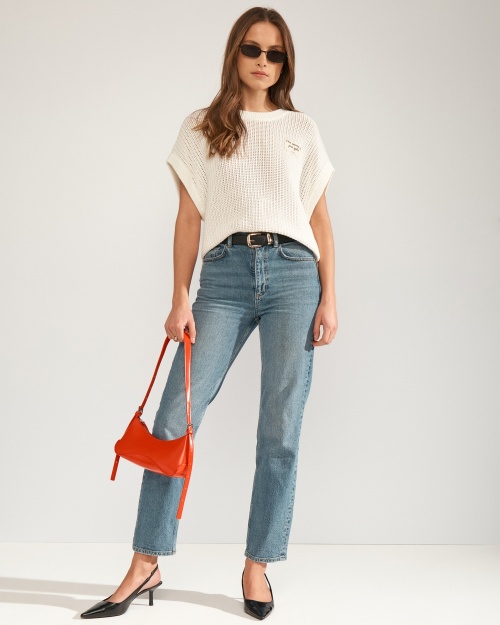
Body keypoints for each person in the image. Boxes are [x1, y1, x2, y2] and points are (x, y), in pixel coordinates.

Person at [81, 5, 338, 621]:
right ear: (234, 53)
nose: (263, 61)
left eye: (275, 53)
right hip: (222, 277)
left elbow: (321, 220)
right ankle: (146, 560)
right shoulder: (200, 127)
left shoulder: (301, 129)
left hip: (295, 274)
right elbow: (189, 218)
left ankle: (258, 564)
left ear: (286, 62)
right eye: (253, 49)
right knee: (174, 416)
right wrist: (179, 297)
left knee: (280, 427)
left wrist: (331, 296)